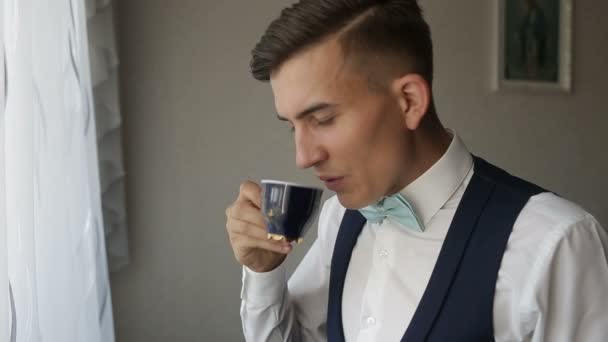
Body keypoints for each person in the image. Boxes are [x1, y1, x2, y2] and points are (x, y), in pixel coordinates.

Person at [224, 1, 608, 341]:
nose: (303, 157)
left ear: (409, 101)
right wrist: (262, 273)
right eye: (292, 126)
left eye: (323, 118)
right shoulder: (339, 218)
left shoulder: (556, 243)